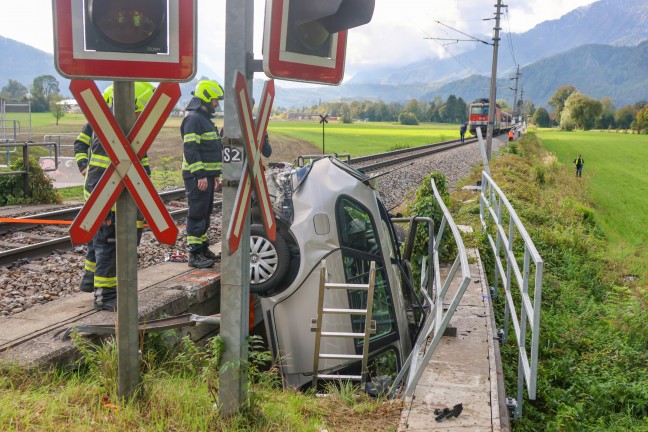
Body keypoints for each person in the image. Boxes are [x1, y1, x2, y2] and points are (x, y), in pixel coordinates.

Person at [83, 82, 155, 311]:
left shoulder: (123, 135)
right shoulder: (110, 138)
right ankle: (104, 296)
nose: (140, 117)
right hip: (106, 202)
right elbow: (99, 174)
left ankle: (90, 282)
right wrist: (101, 208)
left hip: (110, 202)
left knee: (101, 246)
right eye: (140, 112)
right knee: (107, 248)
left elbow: (140, 168)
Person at [181, 79, 225, 269]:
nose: (217, 104)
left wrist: (214, 174)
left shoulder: (204, 120)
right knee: (197, 213)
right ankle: (194, 254)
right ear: (206, 98)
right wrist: (199, 175)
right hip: (197, 176)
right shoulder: (193, 119)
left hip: (206, 175)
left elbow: (211, 150)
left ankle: (203, 247)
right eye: (215, 100)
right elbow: (191, 149)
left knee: (205, 212)